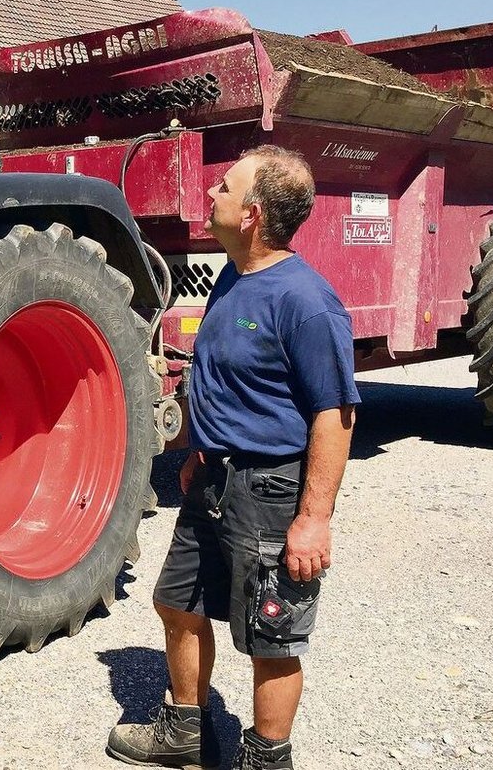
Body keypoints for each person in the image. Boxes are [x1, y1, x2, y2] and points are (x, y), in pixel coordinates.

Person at [106, 146, 360, 770]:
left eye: (223, 186)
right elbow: (219, 378)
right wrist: (198, 450)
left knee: (272, 637)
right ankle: (188, 732)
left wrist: (314, 518)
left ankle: (267, 759)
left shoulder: (306, 301)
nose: (209, 192)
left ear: (251, 214)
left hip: (269, 491)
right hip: (212, 479)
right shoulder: (231, 276)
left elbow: (336, 414)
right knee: (178, 602)